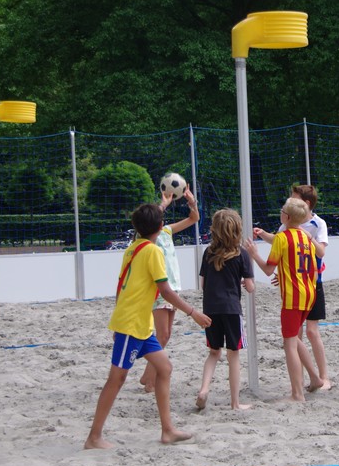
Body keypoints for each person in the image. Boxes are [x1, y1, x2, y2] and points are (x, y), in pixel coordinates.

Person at [85, 202, 211, 450]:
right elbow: (165, 290)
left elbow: (121, 287)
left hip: (139, 324)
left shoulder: (133, 248)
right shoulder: (152, 251)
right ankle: (94, 437)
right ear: (161, 226)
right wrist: (193, 312)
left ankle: (167, 430)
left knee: (164, 368)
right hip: (131, 324)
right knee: (116, 379)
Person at [253, 184, 331, 390]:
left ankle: (313, 382)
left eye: (293, 198)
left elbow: (320, 253)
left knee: (302, 336)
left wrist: (254, 254)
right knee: (296, 336)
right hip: (304, 286)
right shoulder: (294, 233)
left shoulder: (315, 225)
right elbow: (286, 249)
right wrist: (263, 234)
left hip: (303, 288)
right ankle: (310, 378)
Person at [244, 197, 321, 402]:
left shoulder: (282, 237)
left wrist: (254, 254)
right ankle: (315, 378)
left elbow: (269, 269)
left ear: (286, 217)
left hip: (293, 297)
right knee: (294, 338)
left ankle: (297, 394)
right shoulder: (306, 237)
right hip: (309, 293)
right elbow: (311, 268)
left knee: (289, 344)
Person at [139, 186, 200, 392]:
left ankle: (147, 376)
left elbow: (194, 218)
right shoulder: (146, 237)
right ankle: (150, 380)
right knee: (162, 335)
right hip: (159, 289)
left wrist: (191, 202)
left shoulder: (166, 231)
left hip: (172, 288)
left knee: (165, 335)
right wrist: (163, 204)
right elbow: (147, 222)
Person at [196, 209, 256, 410]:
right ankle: (235, 403)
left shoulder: (208, 252)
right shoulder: (241, 254)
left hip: (210, 309)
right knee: (233, 356)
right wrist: (241, 281)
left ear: (214, 230)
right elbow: (250, 287)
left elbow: (203, 284)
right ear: (237, 229)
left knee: (214, 353)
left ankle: (204, 389)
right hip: (231, 309)